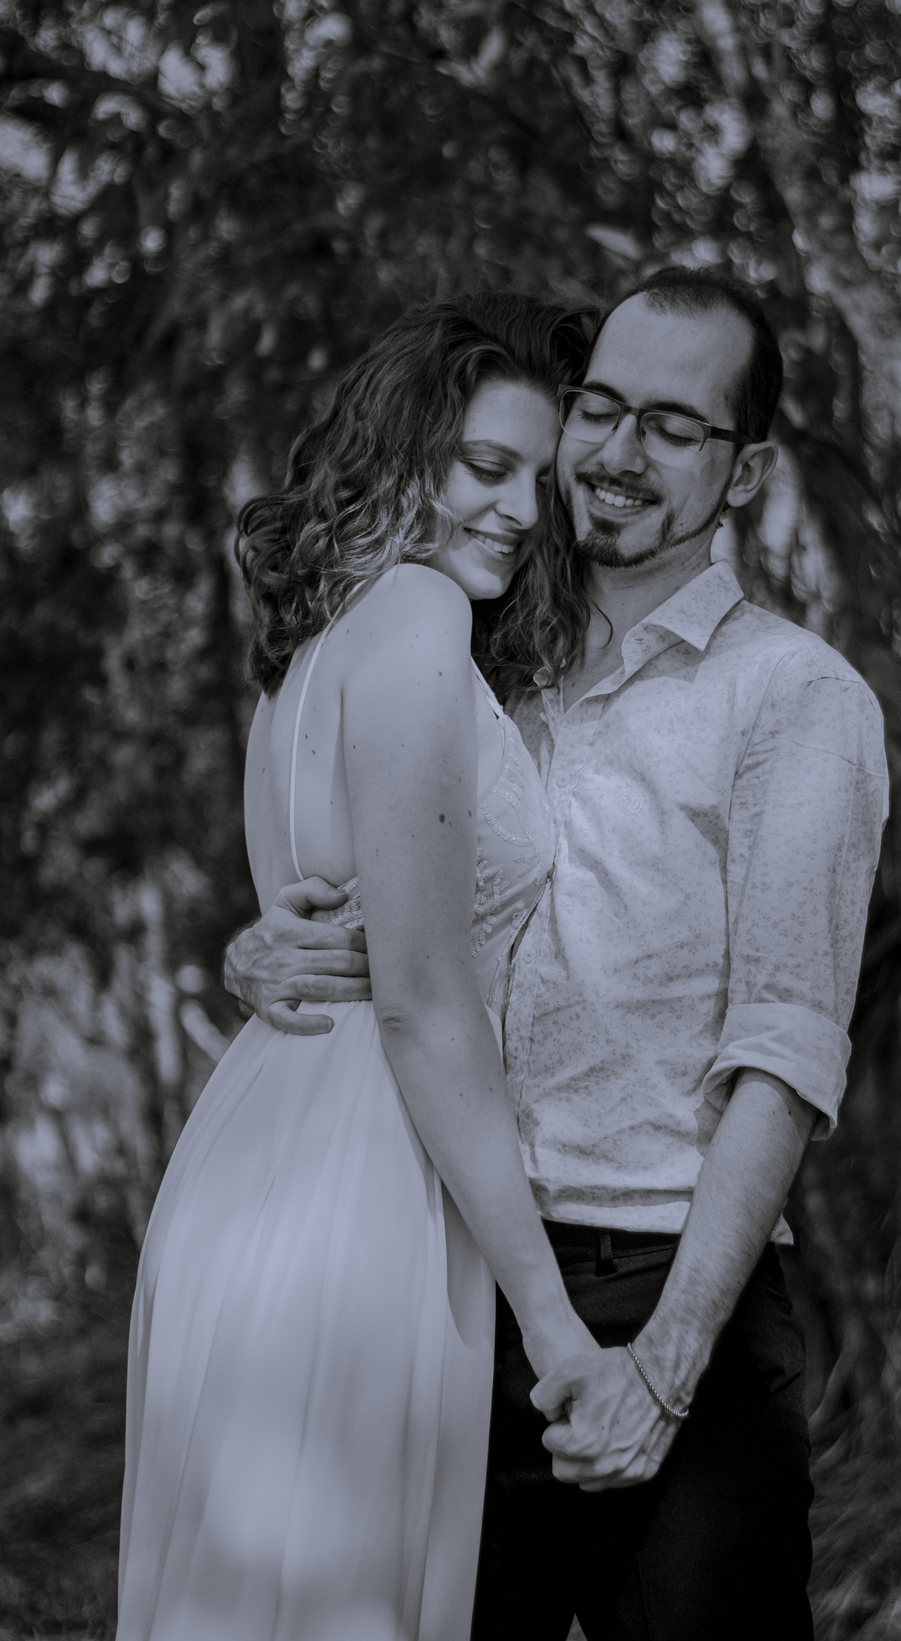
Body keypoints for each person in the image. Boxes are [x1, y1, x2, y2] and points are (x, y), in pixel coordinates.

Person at [225, 267, 889, 1640]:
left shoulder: (794, 697)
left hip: (665, 1293)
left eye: (673, 426)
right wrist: (272, 946)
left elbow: (783, 1055)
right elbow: (413, 937)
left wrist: (667, 1364)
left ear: (745, 470)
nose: (618, 452)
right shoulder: (479, 657)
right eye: (600, 409)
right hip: (444, 1277)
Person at [116, 293, 604, 1641]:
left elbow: (321, 914)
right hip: (366, 1174)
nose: (520, 510)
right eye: (486, 466)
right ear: (404, 455)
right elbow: (424, 1002)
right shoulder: (418, 613)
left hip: (254, 1150)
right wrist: (551, 1318)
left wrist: (250, 953)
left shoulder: (310, 651)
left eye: (541, 481)